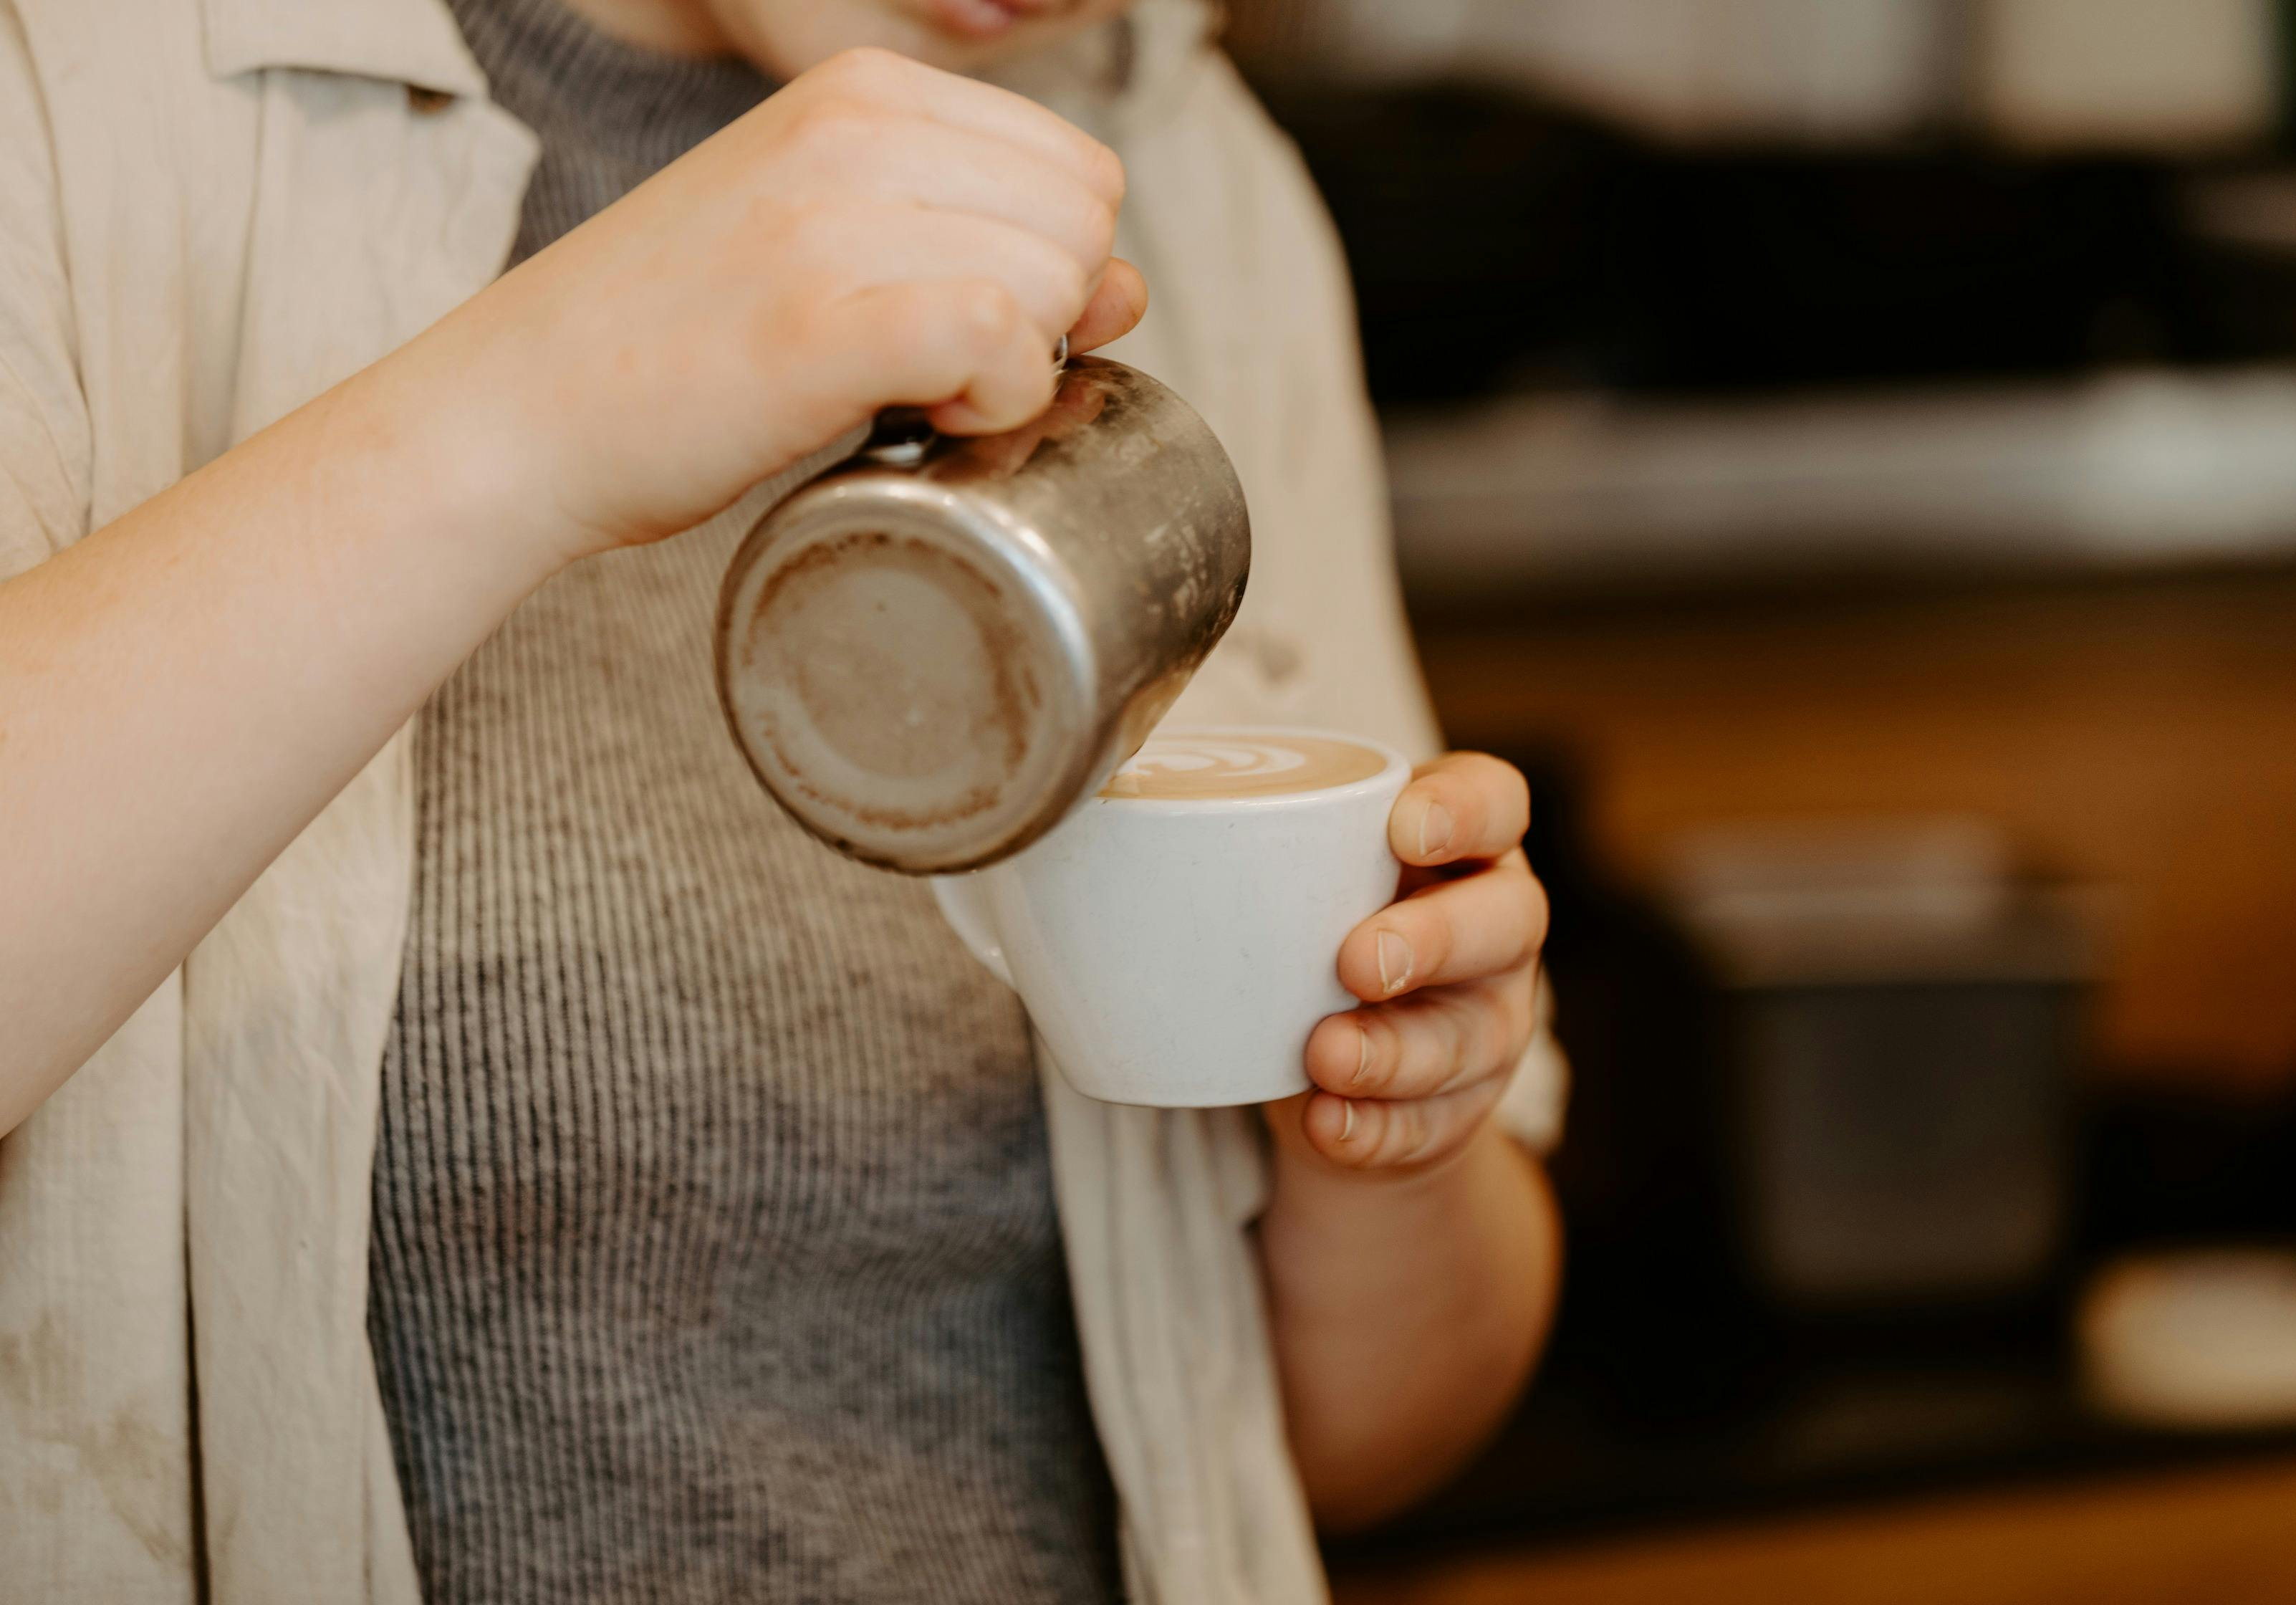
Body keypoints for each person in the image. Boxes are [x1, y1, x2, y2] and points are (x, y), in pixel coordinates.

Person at [0, 0, 1563, 1599]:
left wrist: (1393, 1127)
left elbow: (1355, 1446)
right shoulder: (73, 94)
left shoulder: (1176, 156)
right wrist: (518, 415)